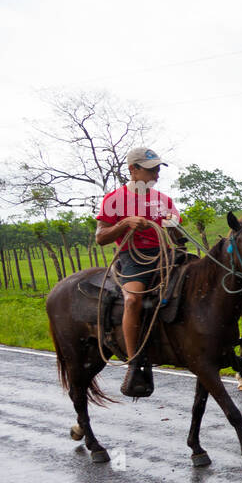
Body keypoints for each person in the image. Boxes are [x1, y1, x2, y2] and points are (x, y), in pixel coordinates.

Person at [94, 147, 182, 398]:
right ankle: (134, 363)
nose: (156, 173)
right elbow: (100, 237)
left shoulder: (164, 199)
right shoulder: (114, 200)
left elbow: (176, 235)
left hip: (165, 254)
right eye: (150, 169)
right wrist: (124, 223)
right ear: (133, 169)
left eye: (157, 169)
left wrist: (172, 224)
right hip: (133, 257)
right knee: (133, 299)